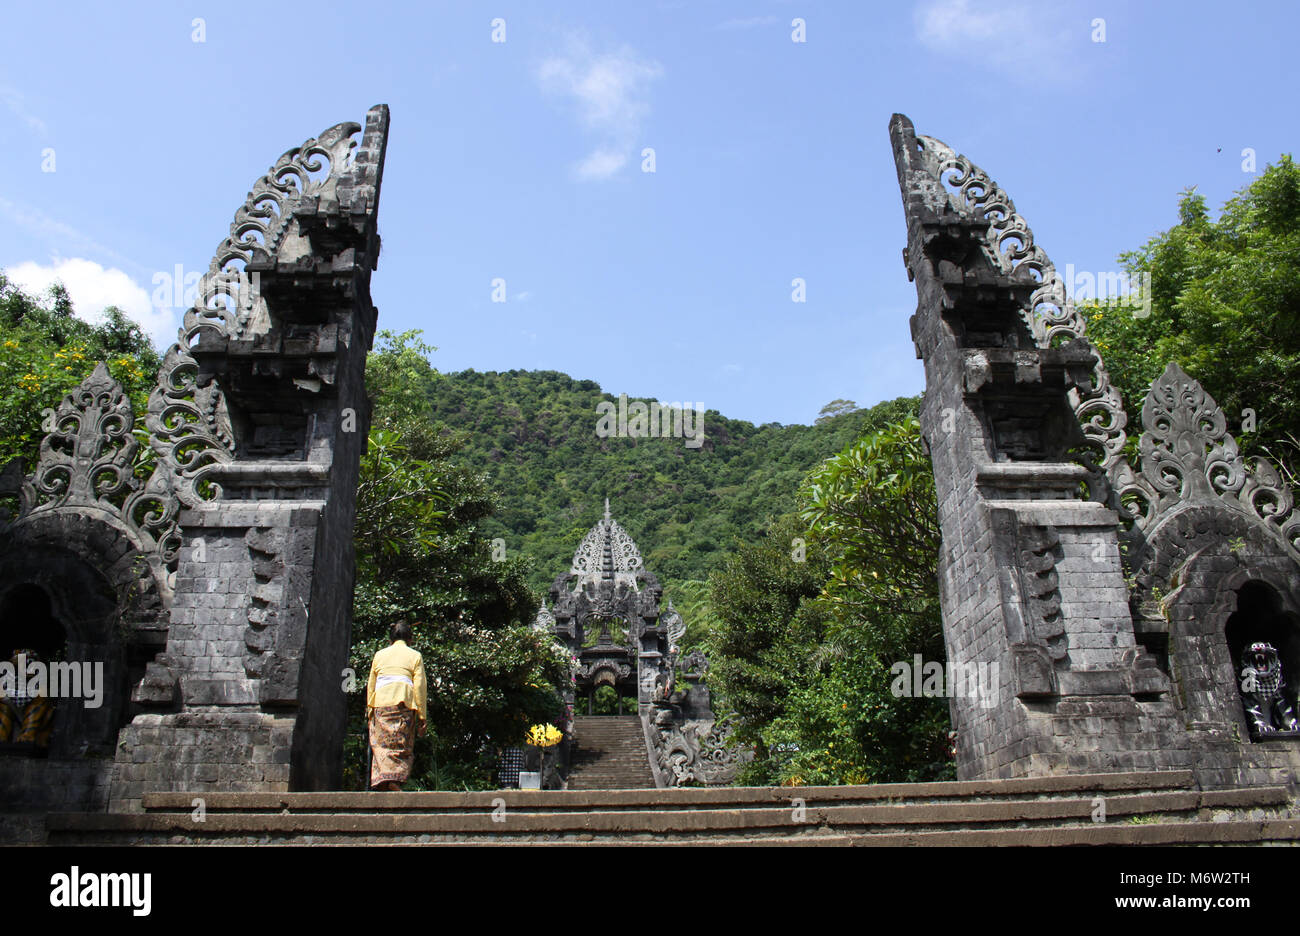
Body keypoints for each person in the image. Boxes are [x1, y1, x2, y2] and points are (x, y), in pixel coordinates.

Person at [365, 622, 428, 791]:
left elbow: (371, 684)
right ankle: (394, 781)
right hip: (403, 703)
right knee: (401, 744)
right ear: (410, 639)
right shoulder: (415, 656)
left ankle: (384, 781)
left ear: (390, 638)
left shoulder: (379, 655)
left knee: (381, 744)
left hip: (380, 704)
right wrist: (422, 715)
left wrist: (369, 709)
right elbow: (420, 687)